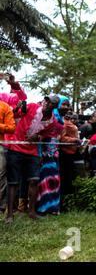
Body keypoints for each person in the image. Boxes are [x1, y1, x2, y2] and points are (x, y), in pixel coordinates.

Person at [5, 95, 63, 223]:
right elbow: (15, 115)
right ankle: (9, 215)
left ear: (54, 107)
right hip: (16, 147)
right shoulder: (31, 106)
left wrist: (38, 138)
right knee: (13, 182)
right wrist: (17, 108)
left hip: (33, 151)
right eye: (46, 100)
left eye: (50, 103)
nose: (47, 103)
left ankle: (31, 211)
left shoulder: (52, 121)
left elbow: (46, 136)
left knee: (34, 180)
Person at [36, 95, 70, 215]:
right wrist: (40, 153)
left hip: (55, 152)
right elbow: (40, 135)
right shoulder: (50, 117)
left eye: (67, 105)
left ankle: (54, 207)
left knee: (54, 179)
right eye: (64, 104)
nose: (66, 107)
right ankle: (44, 207)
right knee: (46, 178)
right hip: (45, 153)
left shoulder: (61, 118)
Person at [59, 111, 81, 205]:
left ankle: (69, 200)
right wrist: (75, 140)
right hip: (65, 153)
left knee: (70, 176)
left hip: (72, 152)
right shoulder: (65, 124)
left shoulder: (71, 124)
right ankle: (64, 200)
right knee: (65, 177)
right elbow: (62, 138)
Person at [0, 100, 16, 212]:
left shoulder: (5, 107)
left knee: (0, 174)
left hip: (0, 145)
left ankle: (1, 206)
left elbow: (11, 128)